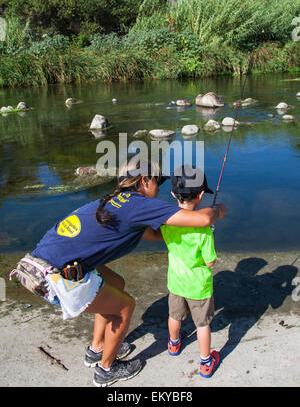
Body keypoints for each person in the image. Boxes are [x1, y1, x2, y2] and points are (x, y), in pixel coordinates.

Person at [29, 160, 225, 387]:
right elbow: (204, 218)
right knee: (124, 307)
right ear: (144, 180)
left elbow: (153, 235)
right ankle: (106, 369)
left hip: (36, 265)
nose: (159, 188)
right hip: (53, 277)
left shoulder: (114, 201)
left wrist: (183, 235)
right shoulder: (139, 204)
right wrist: (219, 209)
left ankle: (96, 349)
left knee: (116, 283)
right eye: (157, 182)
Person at [160, 165, 220, 378]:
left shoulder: (166, 221)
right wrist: (210, 232)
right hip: (198, 286)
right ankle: (205, 362)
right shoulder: (203, 230)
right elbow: (210, 262)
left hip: (176, 282)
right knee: (202, 324)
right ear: (202, 195)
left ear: (173, 194)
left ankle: (174, 344)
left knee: (174, 316)